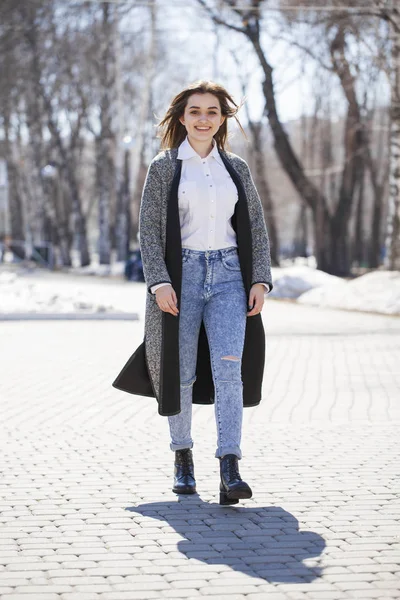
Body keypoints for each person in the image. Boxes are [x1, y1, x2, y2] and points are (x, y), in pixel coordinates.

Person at [112, 80, 273, 505]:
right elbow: (149, 229)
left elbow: (255, 225)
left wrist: (259, 278)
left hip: (228, 276)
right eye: (196, 111)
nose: (204, 118)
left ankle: (230, 466)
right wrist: (158, 281)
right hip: (179, 278)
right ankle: (183, 458)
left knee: (228, 371)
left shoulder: (236, 167)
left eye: (213, 112)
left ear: (223, 120)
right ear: (182, 118)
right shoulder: (165, 166)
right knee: (181, 373)